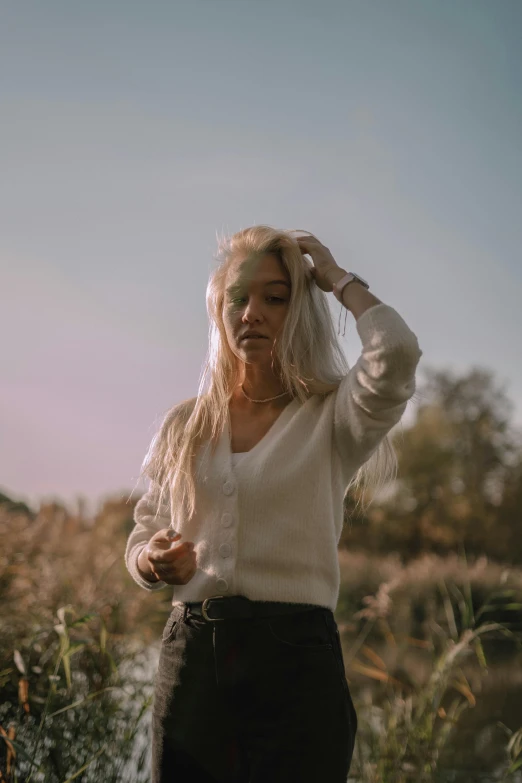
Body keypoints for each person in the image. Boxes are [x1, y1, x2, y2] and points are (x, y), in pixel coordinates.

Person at [124, 226, 423, 782]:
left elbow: (397, 352)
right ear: (220, 310)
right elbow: (144, 534)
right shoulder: (186, 426)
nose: (252, 312)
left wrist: (334, 278)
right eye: (239, 297)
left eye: (275, 297)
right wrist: (153, 560)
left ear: (299, 312)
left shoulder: (333, 418)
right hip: (190, 658)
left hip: (297, 663)